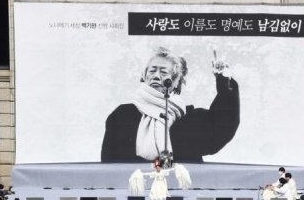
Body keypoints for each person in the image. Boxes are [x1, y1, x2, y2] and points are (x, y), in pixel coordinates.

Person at [101, 47, 240, 163]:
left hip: (180, 193)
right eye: (152, 70)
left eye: (163, 72)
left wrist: (224, 81)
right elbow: (108, 166)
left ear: (175, 82)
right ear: (144, 76)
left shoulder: (189, 119)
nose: (156, 76)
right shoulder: (122, 115)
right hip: (135, 192)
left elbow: (223, 126)